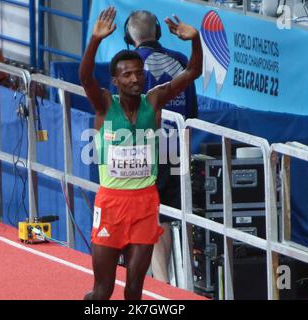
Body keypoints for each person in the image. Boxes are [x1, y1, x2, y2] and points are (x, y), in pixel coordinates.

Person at [79, 6, 202, 300]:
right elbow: (85, 78)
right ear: (116, 81)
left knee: (134, 290)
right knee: (101, 291)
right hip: (111, 203)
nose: (135, 79)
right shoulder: (104, 105)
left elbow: (193, 71)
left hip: (145, 204)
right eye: (127, 75)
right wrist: (94, 41)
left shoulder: (155, 100)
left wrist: (195, 39)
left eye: (138, 73)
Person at [124, 10, 198, 283]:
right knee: (165, 216)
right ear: (157, 31)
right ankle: (162, 279)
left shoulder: (130, 67)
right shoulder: (179, 60)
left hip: (148, 151)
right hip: (177, 148)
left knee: (150, 216)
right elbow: (192, 111)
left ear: (128, 36)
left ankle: (161, 283)